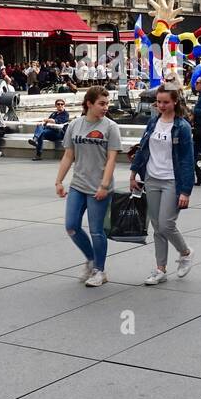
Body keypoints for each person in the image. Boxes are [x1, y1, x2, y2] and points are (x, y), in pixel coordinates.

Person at [55, 85, 121, 287]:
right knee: (71, 226)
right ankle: (91, 259)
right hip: (78, 184)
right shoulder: (75, 125)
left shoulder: (110, 127)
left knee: (96, 230)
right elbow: (68, 155)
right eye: (101, 104)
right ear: (89, 104)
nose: (105, 107)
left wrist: (104, 185)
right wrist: (59, 180)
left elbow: (112, 159)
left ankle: (99, 271)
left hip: (98, 187)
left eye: (107, 103)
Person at [129, 87, 195, 285]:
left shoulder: (181, 127)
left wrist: (185, 191)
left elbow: (186, 160)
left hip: (171, 180)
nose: (161, 106)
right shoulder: (153, 122)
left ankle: (185, 253)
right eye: (158, 102)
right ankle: (161, 269)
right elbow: (142, 148)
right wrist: (133, 173)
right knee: (157, 226)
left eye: (165, 102)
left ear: (175, 102)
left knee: (167, 224)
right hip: (151, 177)